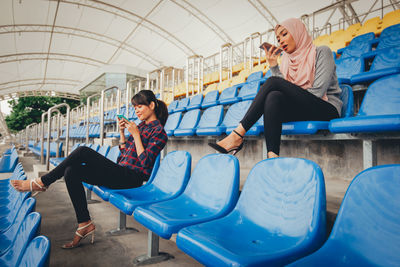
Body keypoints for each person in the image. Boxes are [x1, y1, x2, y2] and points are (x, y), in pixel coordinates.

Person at [11, 90, 168, 249]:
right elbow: (124, 152)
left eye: (140, 106)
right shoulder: (139, 127)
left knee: (82, 151)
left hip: (132, 178)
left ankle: (42, 182)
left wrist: (135, 135)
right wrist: (122, 133)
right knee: (71, 171)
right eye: (135, 108)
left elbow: (146, 162)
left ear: (152, 105)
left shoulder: (159, 132)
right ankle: (84, 222)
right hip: (121, 171)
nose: (137, 111)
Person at [209, 18, 342, 158]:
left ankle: (237, 135)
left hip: (326, 108)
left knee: (273, 82)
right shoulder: (287, 61)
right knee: (273, 96)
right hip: (304, 107)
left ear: (297, 32)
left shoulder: (322, 52)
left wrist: (281, 82)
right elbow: (287, 89)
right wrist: (274, 65)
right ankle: (272, 156)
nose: (281, 41)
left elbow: (317, 91)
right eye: (278, 39)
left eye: (284, 34)